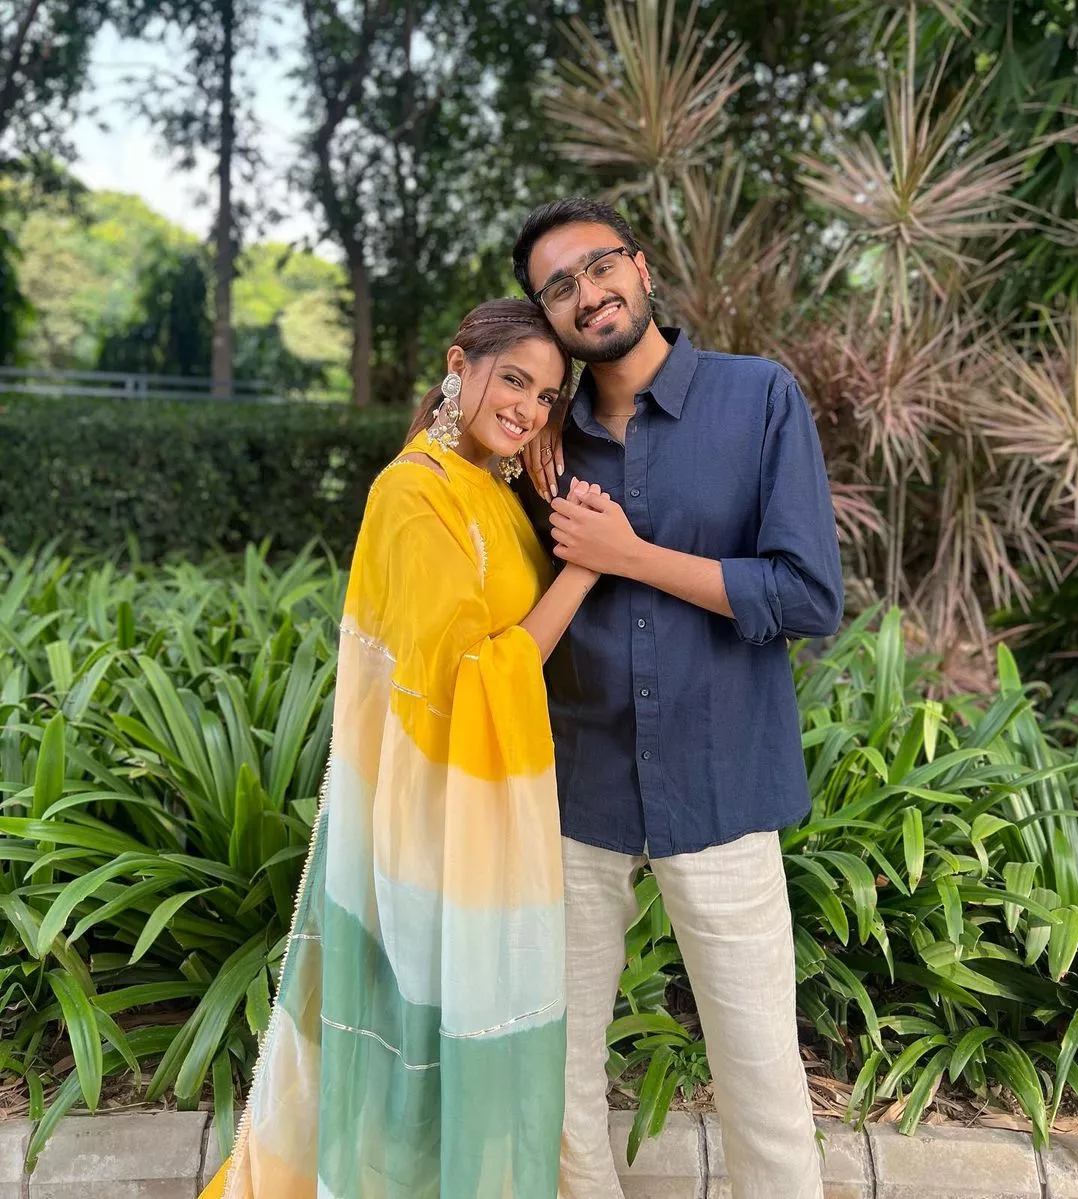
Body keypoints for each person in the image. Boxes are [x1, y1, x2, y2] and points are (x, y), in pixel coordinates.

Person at [200, 298, 605, 1199]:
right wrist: (583, 571)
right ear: (459, 365)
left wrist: (547, 495)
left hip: (482, 809)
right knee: (417, 1046)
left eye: (546, 396)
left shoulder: (489, 487)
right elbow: (465, 680)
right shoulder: (414, 492)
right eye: (513, 380)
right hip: (430, 818)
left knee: (459, 1044)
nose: (528, 408)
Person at [510, 198, 844, 1199]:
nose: (587, 293)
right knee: (553, 1066)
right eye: (558, 287)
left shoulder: (758, 397)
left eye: (599, 265)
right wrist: (516, 430)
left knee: (761, 1070)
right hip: (576, 786)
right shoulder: (537, 437)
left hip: (721, 776)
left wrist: (630, 554)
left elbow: (806, 595)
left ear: (642, 267)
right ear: (545, 316)